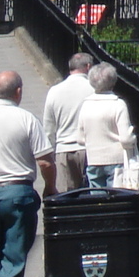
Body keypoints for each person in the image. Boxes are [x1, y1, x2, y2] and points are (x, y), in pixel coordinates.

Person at [0, 70, 52, 277]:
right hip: (18, 194)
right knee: (14, 257)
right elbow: (45, 162)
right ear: (18, 92)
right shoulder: (26, 119)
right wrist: (50, 187)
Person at [41, 53, 94, 194]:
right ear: (88, 67)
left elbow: (49, 128)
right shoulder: (93, 89)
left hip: (63, 150)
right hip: (88, 150)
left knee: (65, 197)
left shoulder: (54, 91)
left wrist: (50, 156)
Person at [77, 64, 135, 190]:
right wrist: (133, 138)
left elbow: (80, 139)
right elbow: (126, 139)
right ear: (113, 81)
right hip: (116, 159)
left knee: (97, 199)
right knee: (116, 197)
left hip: (93, 159)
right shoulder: (118, 104)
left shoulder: (86, 105)